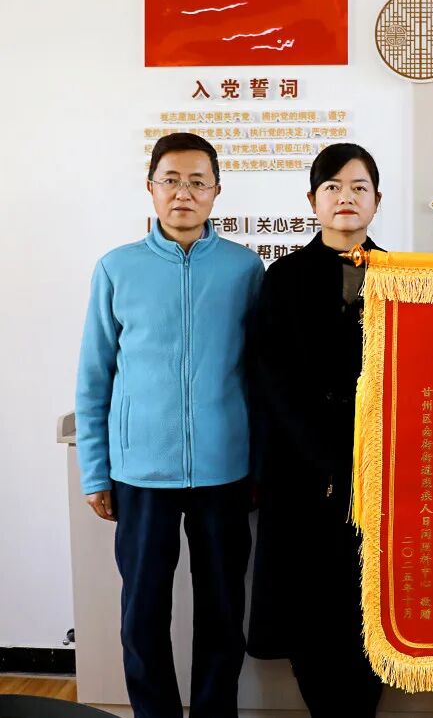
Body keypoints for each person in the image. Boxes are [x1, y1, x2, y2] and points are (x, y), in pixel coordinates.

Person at [75, 132, 264, 718]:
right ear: (151, 187)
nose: (184, 193)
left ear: (217, 191)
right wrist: (95, 471)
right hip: (140, 474)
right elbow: (94, 376)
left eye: (197, 182)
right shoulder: (117, 268)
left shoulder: (244, 268)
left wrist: (258, 466)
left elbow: (260, 375)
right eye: (172, 181)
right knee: (143, 612)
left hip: (224, 471)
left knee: (222, 611)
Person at [246, 143, 385, 717]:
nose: (345, 198)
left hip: (379, 470)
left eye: (358, 187)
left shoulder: (402, 276)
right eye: (332, 187)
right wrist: (325, 458)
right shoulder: (283, 276)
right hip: (301, 470)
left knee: (368, 605)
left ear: (377, 200)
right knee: (308, 607)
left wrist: (364, 456)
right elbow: (271, 376)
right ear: (312, 200)